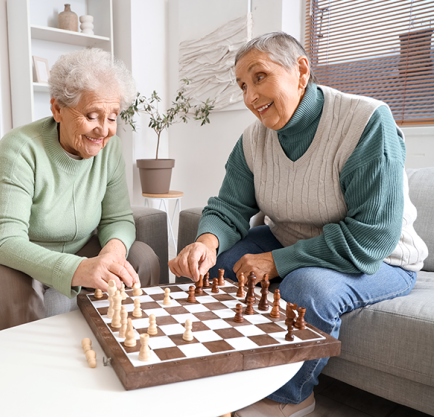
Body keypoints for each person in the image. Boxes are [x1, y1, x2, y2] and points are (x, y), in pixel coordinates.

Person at [169, 32, 428, 417]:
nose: (250, 98)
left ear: (301, 71)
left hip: (381, 256)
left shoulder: (366, 121)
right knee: (216, 266)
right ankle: (226, 373)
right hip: (291, 237)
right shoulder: (252, 140)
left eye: (260, 77)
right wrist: (206, 242)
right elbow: (229, 206)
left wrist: (276, 262)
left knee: (305, 285)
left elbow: (371, 236)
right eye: (242, 85)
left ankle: (291, 396)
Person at [0, 48, 160, 333]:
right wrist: (79, 269)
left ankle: (127, 350)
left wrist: (112, 255)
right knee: (15, 289)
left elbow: (117, 219)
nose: (104, 130)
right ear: (57, 110)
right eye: (92, 116)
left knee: (140, 258)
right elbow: (6, 242)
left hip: (75, 244)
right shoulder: (19, 149)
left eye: (113, 117)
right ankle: (29, 375)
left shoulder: (110, 149)